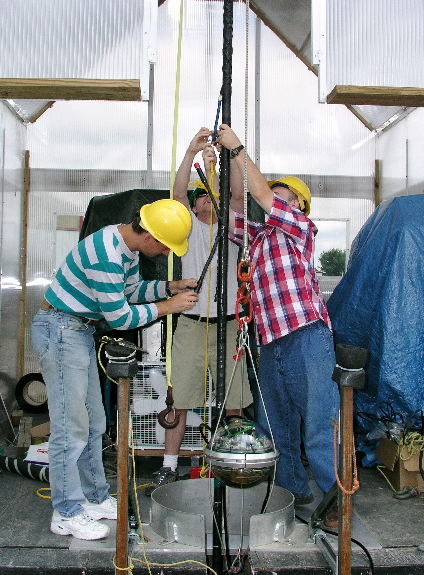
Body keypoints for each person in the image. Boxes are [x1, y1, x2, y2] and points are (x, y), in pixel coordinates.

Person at [31, 199, 199, 541]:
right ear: (150, 235)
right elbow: (120, 318)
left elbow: (131, 292)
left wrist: (169, 287)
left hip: (76, 331)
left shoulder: (126, 246)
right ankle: (66, 512)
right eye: (167, 247)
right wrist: (168, 307)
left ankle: (93, 498)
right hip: (61, 330)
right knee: (70, 428)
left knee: (93, 423)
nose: (166, 254)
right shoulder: (106, 254)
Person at [217, 124, 340, 524]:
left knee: (320, 426)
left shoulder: (300, 228)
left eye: (282, 192)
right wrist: (221, 159)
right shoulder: (258, 237)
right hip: (269, 343)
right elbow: (238, 200)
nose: (273, 195)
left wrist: (239, 149)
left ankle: (336, 503)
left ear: (297, 204)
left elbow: (260, 195)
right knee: (275, 427)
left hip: (306, 335)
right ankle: (295, 496)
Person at [145, 128, 252, 495]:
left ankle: (236, 461)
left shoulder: (233, 226)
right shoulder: (186, 229)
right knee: (181, 398)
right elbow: (175, 194)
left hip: (228, 326)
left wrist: (222, 155)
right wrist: (191, 152)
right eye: (200, 197)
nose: (207, 201)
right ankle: (169, 466)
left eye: (212, 195)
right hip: (190, 325)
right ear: (192, 205)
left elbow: (236, 196)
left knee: (235, 401)